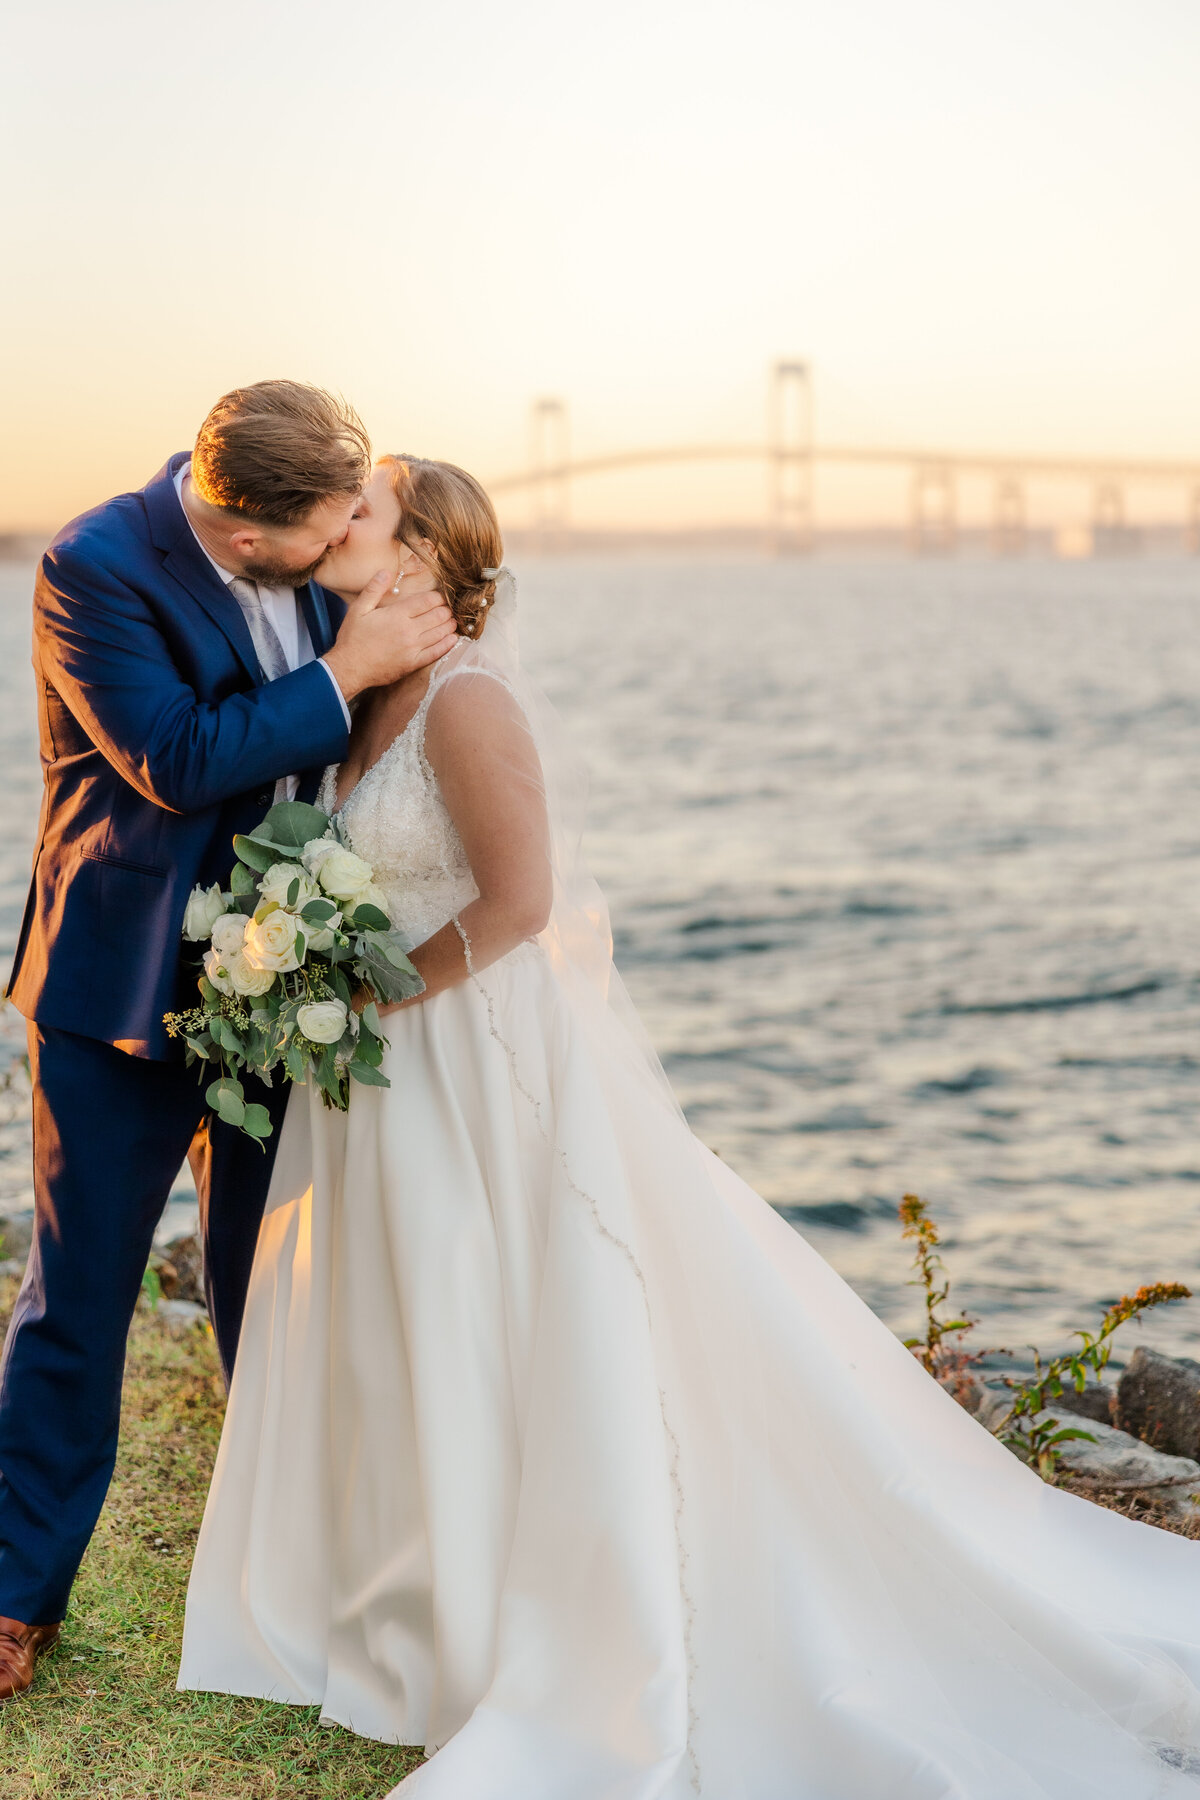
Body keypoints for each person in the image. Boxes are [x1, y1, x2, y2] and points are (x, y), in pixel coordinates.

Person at [180, 454, 1200, 1798]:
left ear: (424, 549)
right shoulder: (367, 689)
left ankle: (542, 1625)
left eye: (361, 512)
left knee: (503, 1313)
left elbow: (525, 903)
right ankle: (410, 1616)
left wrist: (368, 998)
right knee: (424, 1324)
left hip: (467, 1057)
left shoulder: (471, 704)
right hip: (388, 1075)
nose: (333, 531)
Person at [0, 387, 458, 1702]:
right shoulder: (92, 567)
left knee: (282, 1292)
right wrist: (347, 674)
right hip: (120, 986)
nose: (341, 547)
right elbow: (176, 759)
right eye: (323, 532)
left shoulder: (324, 543)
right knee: (78, 1302)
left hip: (290, 977)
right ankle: (15, 1597)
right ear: (248, 533)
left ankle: (298, 1578)